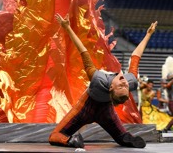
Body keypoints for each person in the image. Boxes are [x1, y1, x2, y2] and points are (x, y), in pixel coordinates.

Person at [49, 13, 158, 149]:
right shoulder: (129, 81)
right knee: (120, 136)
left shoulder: (98, 79)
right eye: (125, 85)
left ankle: (72, 140)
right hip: (95, 109)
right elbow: (136, 57)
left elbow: (83, 52)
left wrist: (67, 28)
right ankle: (74, 140)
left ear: (111, 88)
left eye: (121, 85)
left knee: (55, 136)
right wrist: (148, 34)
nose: (124, 81)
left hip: (94, 109)